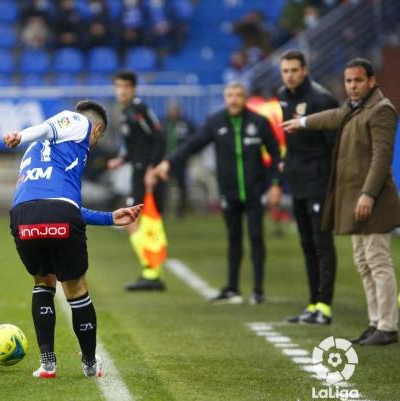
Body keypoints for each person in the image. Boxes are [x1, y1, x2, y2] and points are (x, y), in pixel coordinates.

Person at [4, 100, 142, 378]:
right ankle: (90, 363)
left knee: (43, 282)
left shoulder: (35, 153)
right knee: (76, 289)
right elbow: (62, 207)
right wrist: (20, 135)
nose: (94, 143)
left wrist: (108, 217)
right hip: (59, 214)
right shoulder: (78, 122)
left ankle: (47, 364)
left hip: (22, 216)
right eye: (99, 138)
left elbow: (56, 200)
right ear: (98, 129)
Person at [283, 58, 400, 345]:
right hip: (355, 199)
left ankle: (388, 325)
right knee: (363, 262)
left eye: (358, 81)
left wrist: (369, 194)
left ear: (372, 81)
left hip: (373, 200)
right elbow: (333, 116)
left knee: (378, 260)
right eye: (348, 81)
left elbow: (381, 158)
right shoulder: (352, 108)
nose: (352, 86)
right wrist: (304, 122)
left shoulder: (382, 111)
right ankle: (375, 323)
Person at [155, 83, 282, 304]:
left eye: (238, 95)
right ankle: (232, 287)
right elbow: (192, 145)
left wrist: (275, 184)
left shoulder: (259, 122)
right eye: (230, 95)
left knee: (255, 237)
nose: (234, 99)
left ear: (246, 98)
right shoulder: (216, 122)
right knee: (233, 239)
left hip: (255, 192)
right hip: (229, 193)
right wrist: (169, 162)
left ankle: (258, 289)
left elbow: (275, 154)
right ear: (225, 98)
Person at [277, 50, 339, 325]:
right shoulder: (283, 96)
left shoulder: (321, 99)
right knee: (306, 244)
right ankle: (313, 303)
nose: (289, 75)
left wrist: (333, 183)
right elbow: (291, 141)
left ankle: (324, 306)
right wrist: (286, 163)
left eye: (293, 70)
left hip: (319, 182)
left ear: (304, 70)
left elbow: (335, 144)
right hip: (298, 181)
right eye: (285, 71)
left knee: (322, 243)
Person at [108, 69, 167, 291]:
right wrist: (121, 159)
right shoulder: (127, 112)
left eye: (125, 87)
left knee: (137, 220)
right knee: (135, 220)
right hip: (138, 170)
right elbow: (136, 146)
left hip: (146, 173)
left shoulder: (140, 108)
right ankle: (151, 271)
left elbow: (159, 137)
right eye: (118, 87)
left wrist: (153, 168)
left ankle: (151, 272)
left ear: (133, 88)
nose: (121, 91)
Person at [164, 101, 195, 217]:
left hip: (181, 160)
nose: (173, 112)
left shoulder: (186, 123)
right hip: (166, 160)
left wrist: (190, 154)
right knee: (164, 187)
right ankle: (163, 211)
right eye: (171, 109)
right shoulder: (163, 123)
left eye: (175, 109)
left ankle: (181, 211)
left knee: (182, 186)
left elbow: (195, 139)